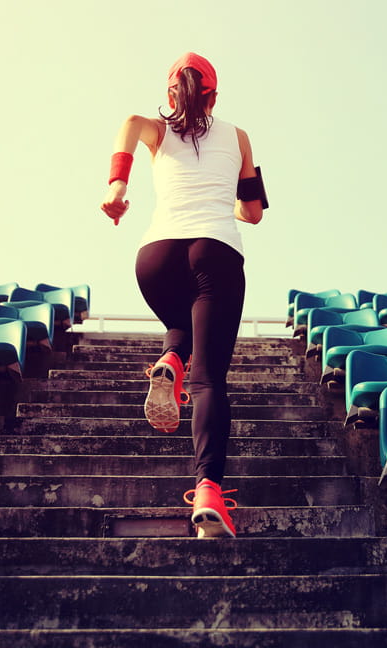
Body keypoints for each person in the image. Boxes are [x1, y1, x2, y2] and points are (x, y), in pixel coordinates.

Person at [100, 52, 265, 539]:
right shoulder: (238, 137)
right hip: (214, 253)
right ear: (214, 95)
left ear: (172, 93)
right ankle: (209, 491)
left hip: (155, 257)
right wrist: (223, 202)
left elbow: (130, 123)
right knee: (210, 379)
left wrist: (116, 186)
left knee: (183, 324)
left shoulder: (157, 130)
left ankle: (170, 360)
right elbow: (253, 212)